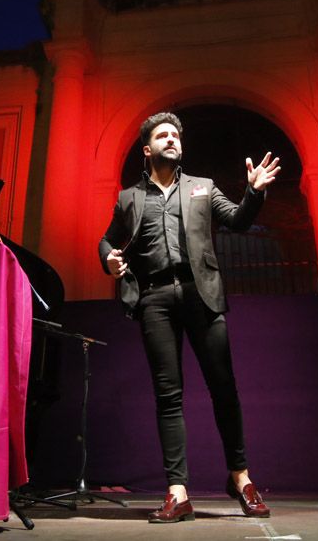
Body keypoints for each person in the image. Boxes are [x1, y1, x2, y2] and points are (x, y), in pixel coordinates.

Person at [98, 112, 280, 523]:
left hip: (202, 296)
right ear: (148, 149)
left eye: (176, 135)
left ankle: (240, 477)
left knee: (224, 389)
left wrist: (253, 193)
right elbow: (108, 240)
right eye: (162, 135)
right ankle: (177, 492)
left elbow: (237, 220)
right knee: (169, 397)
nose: (171, 139)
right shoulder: (129, 198)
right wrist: (107, 259)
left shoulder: (203, 188)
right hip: (155, 300)